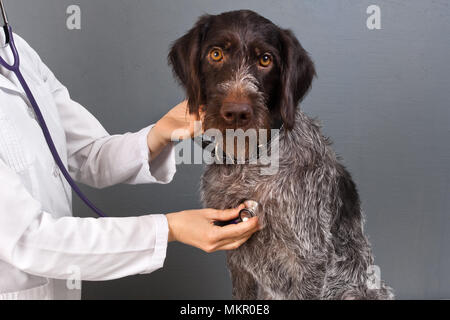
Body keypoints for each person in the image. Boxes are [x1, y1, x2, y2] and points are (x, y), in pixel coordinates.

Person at [0, 31, 260, 300]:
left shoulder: (15, 49)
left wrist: (161, 132)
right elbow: (29, 241)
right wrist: (171, 228)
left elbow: (88, 153)